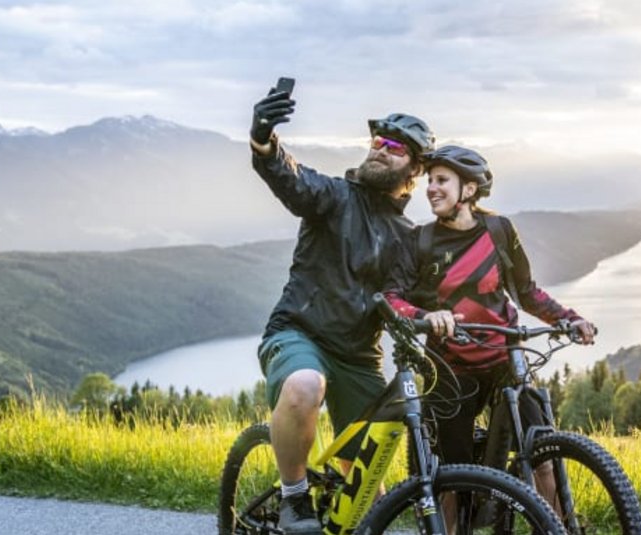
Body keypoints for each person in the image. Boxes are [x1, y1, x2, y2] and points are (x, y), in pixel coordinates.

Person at [248, 85, 435, 535]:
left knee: (371, 494)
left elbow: (421, 297)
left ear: (415, 169)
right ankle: (295, 499)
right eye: (377, 141)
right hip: (300, 333)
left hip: (358, 357)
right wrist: (263, 139)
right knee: (305, 385)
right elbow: (291, 178)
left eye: (394, 147)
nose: (379, 149)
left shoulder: (409, 236)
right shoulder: (333, 197)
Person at [383, 145, 597, 524]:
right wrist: (426, 315)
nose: (431, 187)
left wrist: (569, 318)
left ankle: (557, 528)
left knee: (543, 455)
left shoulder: (498, 231)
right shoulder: (420, 241)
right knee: (450, 476)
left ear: (468, 189)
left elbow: (526, 291)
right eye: (429, 180)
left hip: (503, 360)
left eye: (441, 180)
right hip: (449, 369)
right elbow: (391, 298)